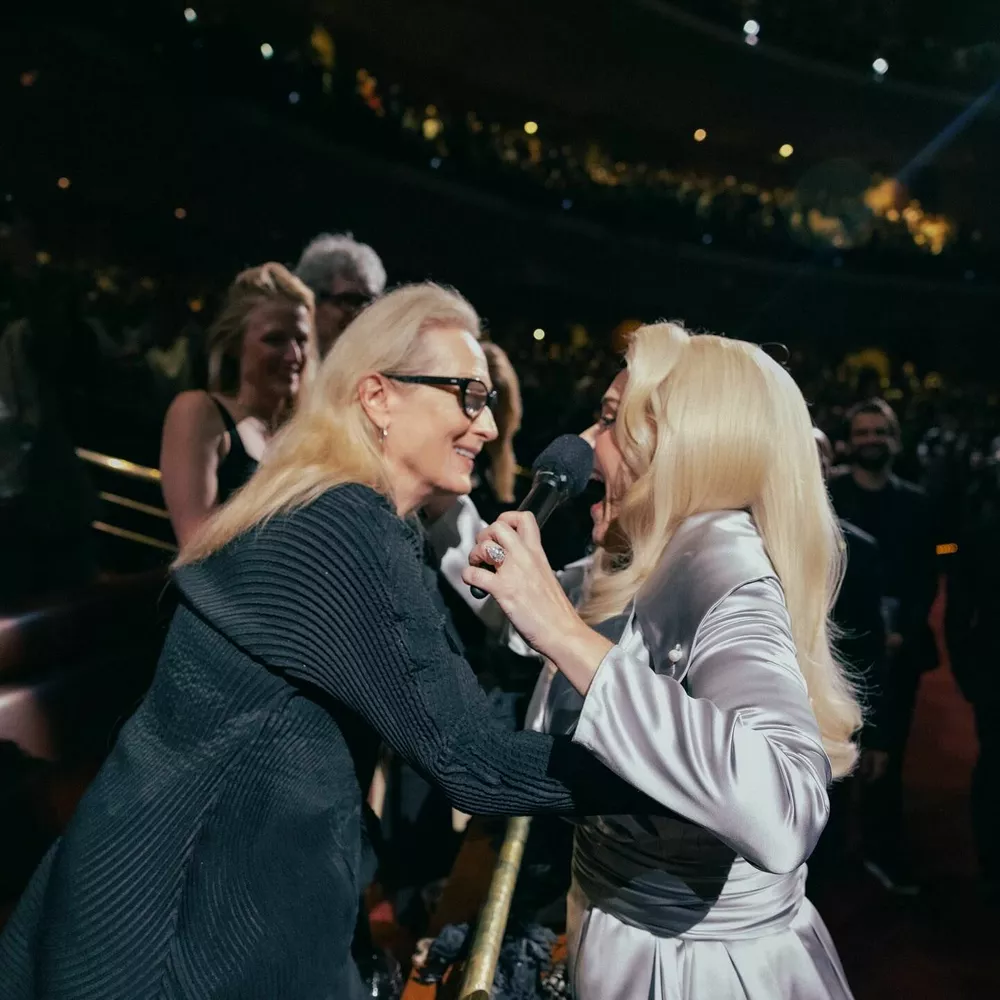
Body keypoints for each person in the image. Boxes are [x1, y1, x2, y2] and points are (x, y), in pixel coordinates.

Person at [0, 283, 663, 1000]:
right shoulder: (345, 529)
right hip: (173, 930)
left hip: (180, 892)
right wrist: (678, 774)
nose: (488, 425)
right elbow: (475, 764)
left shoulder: (329, 503)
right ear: (378, 397)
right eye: (468, 396)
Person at [464, 322, 861, 1000]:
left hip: (693, 971)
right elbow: (523, 611)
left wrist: (562, 631)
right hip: (621, 937)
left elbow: (786, 803)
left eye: (610, 422)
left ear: (682, 445)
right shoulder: (652, 556)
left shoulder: (721, 561)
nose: (585, 443)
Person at [828, 397, 938, 894]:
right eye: (863, 432)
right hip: (837, 652)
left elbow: (931, 571)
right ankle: (826, 855)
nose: (871, 440)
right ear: (849, 441)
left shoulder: (918, 502)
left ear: (895, 440)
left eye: (880, 432)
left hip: (899, 652)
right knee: (830, 756)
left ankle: (882, 851)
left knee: (887, 756)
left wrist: (903, 631)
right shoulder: (828, 497)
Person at [159, 263, 317, 548]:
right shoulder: (199, 412)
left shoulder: (306, 432)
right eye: (275, 340)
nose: (293, 355)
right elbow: (197, 546)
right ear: (234, 344)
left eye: (301, 340)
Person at [808, 429, 889, 891]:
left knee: (826, 845)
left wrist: (876, 735)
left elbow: (868, 651)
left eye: (816, 457)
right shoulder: (734, 543)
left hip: (830, 721)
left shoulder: (859, 550)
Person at [294, 232, 386, 356]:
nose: (360, 312)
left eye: (369, 301)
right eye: (348, 301)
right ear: (312, 303)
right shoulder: (292, 361)